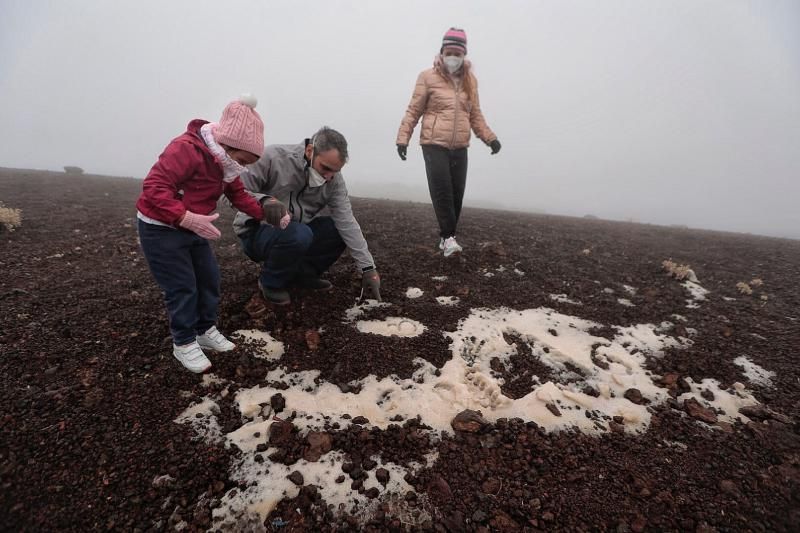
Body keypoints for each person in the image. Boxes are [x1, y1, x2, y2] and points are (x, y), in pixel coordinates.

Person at [136, 95, 271, 373]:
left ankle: (203, 329)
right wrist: (183, 216)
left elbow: (237, 194)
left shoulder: (227, 163)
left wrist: (266, 215)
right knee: (182, 285)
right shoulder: (185, 149)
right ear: (228, 146)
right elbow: (154, 186)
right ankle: (183, 342)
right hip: (161, 228)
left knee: (209, 278)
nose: (244, 167)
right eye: (244, 159)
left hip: (196, 226)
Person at [233, 126, 381, 306]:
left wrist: (368, 268)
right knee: (299, 234)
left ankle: (303, 275)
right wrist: (263, 201)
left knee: (336, 230)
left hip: (298, 230)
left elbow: (347, 221)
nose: (328, 177)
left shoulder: (334, 180)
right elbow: (232, 192)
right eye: (325, 168)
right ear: (310, 151)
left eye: (334, 172)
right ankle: (270, 282)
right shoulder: (273, 158)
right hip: (257, 231)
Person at [396, 27, 501, 257]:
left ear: (464, 55)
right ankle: (448, 237)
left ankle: (447, 236)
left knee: (456, 193)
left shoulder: (469, 82)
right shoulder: (427, 77)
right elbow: (414, 110)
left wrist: (490, 138)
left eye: (457, 53)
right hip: (434, 143)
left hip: (460, 145)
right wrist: (403, 138)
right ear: (442, 52)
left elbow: (475, 115)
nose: (453, 57)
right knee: (442, 189)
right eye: (449, 52)